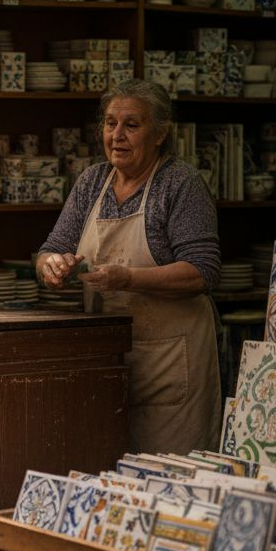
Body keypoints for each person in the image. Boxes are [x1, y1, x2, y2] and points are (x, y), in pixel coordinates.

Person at [36, 79, 222, 454]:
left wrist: (129, 278)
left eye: (131, 125)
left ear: (160, 134)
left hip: (171, 369)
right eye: (109, 124)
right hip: (110, 367)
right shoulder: (92, 182)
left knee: (169, 485)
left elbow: (203, 271)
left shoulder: (180, 184)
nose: (116, 135)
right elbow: (50, 248)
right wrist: (52, 265)